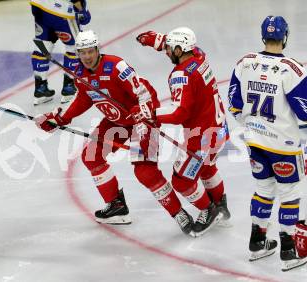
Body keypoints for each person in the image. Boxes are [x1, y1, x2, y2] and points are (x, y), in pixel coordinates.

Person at [35, 30, 197, 236]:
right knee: (91, 156)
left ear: (97, 49)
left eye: (89, 51)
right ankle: (116, 206)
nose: (86, 56)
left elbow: (144, 93)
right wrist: (59, 119)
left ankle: (179, 213)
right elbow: (83, 99)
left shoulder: (116, 67)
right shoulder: (79, 72)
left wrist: (144, 119)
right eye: (82, 52)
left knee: (145, 172)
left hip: (143, 117)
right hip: (116, 121)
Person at [228, 16, 307, 271]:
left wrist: (251, 125)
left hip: (255, 142)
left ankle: (257, 242)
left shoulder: (244, 63)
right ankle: (288, 250)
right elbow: (305, 112)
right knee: (290, 194)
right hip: (284, 145)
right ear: (285, 36)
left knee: (264, 189)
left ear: (263, 36)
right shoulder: (292, 69)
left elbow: (234, 103)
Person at [135, 27, 230, 236]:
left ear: (179, 49)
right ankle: (220, 203)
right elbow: (187, 50)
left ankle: (209, 210)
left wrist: (150, 114)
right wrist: (159, 41)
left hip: (201, 137)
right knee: (207, 167)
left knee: (182, 180)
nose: (167, 51)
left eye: (170, 48)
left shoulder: (181, 75)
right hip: (219, 128)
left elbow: (180, 113)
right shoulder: (199, 57)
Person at [30, 0, 91, 105]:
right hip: (62, 11)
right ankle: (69, 88)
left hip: (38, 6)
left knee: (43, 45)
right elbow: (84, 18)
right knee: (75, 47)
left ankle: (40, 88)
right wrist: (82, 10)